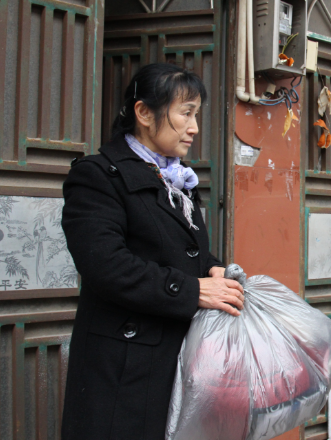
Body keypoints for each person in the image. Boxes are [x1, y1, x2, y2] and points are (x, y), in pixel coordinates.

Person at [60, 63, 245, 440]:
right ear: (144, 113)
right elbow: (106, 266)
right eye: (186, 113)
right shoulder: (97, 176)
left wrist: (212, 270)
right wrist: (193, 291)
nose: (194, 128)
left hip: (176, 360)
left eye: (197, 114)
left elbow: (179, 250)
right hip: (123, 369)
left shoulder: (179, 181)